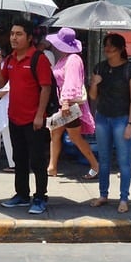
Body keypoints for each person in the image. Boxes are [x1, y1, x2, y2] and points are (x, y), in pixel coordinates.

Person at [0, 19, 53, 215]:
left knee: (37, 160)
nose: (13, 38)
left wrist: (39, 116)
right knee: (18, 158)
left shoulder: (38, 58)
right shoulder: (9, 59)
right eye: (12, 34)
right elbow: (2, 83)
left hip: (33, 119)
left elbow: (46, 88)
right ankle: (22, 194)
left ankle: (40, 197)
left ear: (29, 38)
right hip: (15, 117)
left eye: (18, 34)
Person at [88, 34, 131, 213]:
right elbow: (93, 96)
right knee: (103, 159)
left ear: (120, 48)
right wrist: (95, 84)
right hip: (102, 116)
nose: (107, 49)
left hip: (122, 118)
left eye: (111, 46)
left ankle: (124, 198)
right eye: (106, 46)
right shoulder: (100, 67)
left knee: (124, 160)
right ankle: (103, 194)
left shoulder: (130, 69)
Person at [44, 28, 99, 179]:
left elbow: (71, 82)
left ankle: (95, 165)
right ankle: (52, 166)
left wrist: (66, 103)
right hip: (66, 104)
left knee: (74, 137)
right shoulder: (66, 58)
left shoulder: (73, 59)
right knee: (55, 131)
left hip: (70, 105)